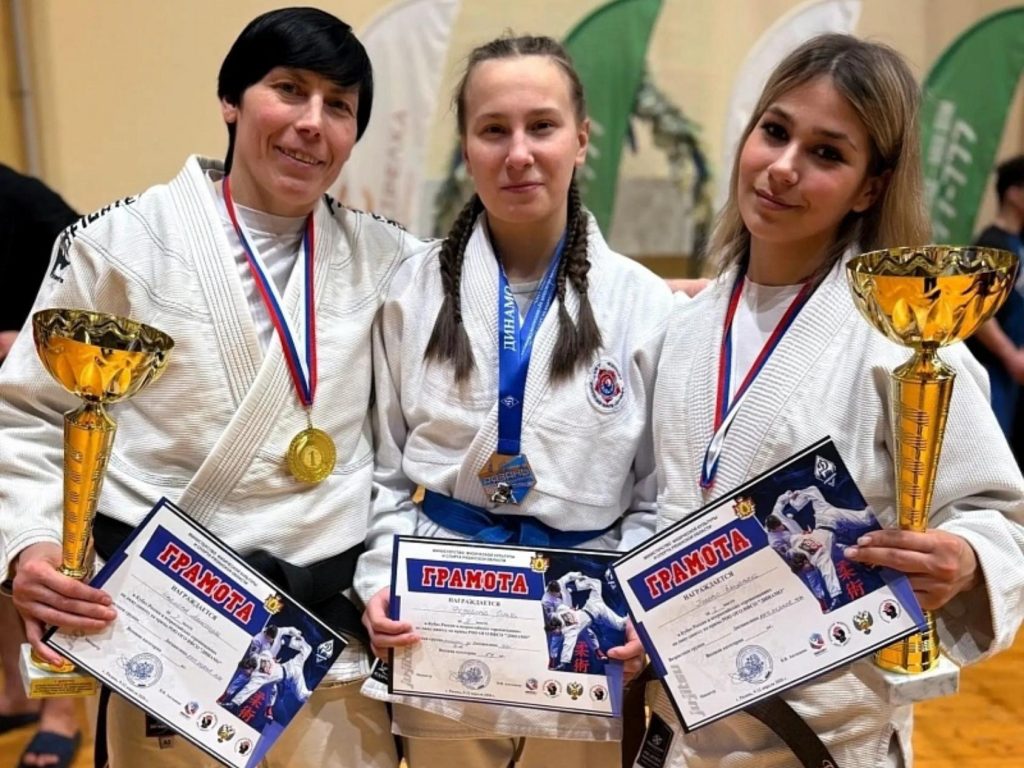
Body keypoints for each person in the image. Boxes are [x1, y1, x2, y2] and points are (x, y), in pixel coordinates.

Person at [0, 7, 424, 767]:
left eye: (339, 105)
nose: (312, 122)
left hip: (330, 641)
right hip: (164, 626)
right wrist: (31, 546)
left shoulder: (390, 260)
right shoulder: (119, 243)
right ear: (230, 100)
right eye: (288, 89)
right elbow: (29, 414)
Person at [647, 34, 1024, 768]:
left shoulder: (903, 343)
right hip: (679, 728)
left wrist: (965, 559)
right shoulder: (682, 328)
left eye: (826, 153)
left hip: (825, 736)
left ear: (870, 188)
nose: (783, 168)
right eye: (775, 131)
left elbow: (1000, 517)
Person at [356, 34, 673, 768]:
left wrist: (632, 601)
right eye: (493, 129)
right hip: (443, 606)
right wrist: (379, 581)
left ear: (581, 139)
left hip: (581, 611)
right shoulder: (411, 292)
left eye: (542, 126)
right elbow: (381, 470)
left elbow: (658, 490)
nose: (518, 153)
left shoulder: (644, 303)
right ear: (466, 147)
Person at [0, 164, 82, 768]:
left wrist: (17, 344)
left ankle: (62, 712)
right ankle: (14, 690)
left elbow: (83, 309)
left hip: (32, 410)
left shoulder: (23, 203)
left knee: (44, 560)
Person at [965, 155, 1024, 437]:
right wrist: (1011, 355)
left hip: (1011, 376)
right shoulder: (991, 244)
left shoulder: (1019, 242)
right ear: (1013, 193)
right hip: (989, 370)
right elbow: (976, 308)